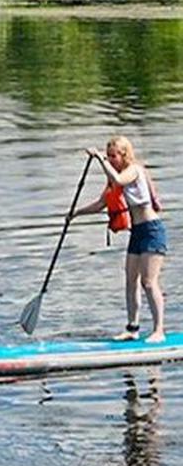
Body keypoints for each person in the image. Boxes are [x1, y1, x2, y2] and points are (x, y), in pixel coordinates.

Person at [69, 136, 167, 343]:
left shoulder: (133, 170)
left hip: (152, 230)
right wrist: (75, 213)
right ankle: (132, 328)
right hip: (137, 232)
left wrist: (99, 159)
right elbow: (100, 204)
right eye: (108, 156)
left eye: (113, 156)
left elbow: (120, 180)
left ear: (124, 155)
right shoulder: (114, 179)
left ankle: (159, 330)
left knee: (149, 282)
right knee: (130, 281)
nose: (110, 159)